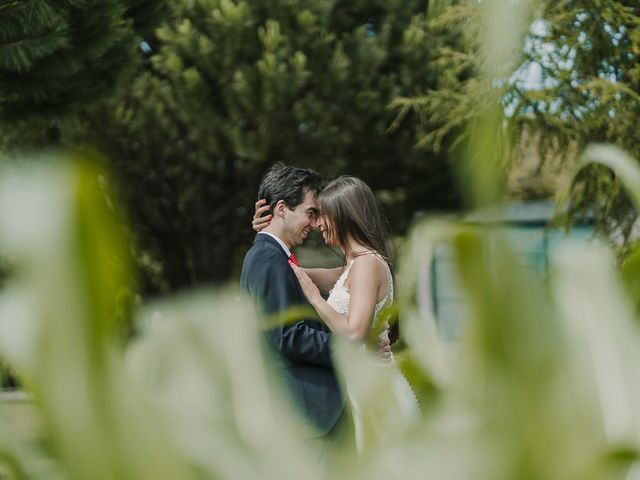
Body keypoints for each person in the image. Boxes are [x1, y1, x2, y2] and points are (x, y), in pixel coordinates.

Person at [252, 175, 419, 453]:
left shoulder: (367, 264)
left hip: (373, 388)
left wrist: (317, 300)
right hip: (355, 384)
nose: (317, 224)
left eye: (323, 216)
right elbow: (290, 271)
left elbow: (354, 332)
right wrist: (268, 235)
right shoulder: (351, 266)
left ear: (343, 216)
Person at [239, 164, 349, 452]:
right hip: (304, 412)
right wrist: (351, 349)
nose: (314, 224)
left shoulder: (275, 257)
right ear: (282, 209)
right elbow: (288, 335)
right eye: (310, 213)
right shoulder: (268, 258)